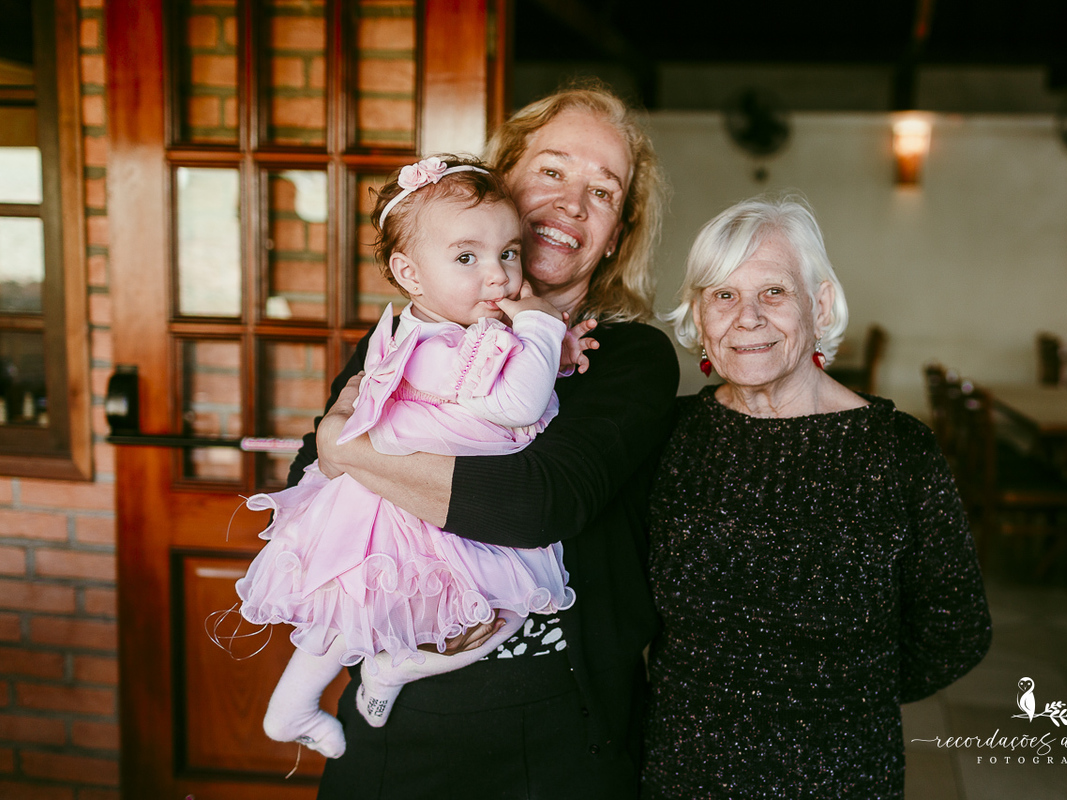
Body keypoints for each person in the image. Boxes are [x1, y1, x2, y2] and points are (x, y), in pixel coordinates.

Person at [292, 85, 678, 798]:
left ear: (617, 234)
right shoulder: (414, 330)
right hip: (397, 717)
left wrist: (354, 453)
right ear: (503, 181)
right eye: (554, 172)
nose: (572, 204)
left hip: (557, 725)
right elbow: (308, 482)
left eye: (603, 192)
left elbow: (536, 505)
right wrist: (338, 457)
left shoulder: (630, 358)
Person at [233, 156, 596, 759]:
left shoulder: (448, 330)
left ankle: (354, 683)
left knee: (385, 616)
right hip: (404, 512)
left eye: (508, 252)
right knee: (404, 611)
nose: (499, 276)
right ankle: (333, 693)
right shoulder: (433, 348)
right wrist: (539, 324)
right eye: (465, 258)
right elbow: (515, 402)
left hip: (422, 499)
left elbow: (509, 379)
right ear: (410, 273)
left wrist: (552, 350)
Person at [642, 195, 991, 799]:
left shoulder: (896, 452)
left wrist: (840, 700)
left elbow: (955, 628)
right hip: (683, 770)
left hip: (842, 773)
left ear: (820, 303)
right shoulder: (668, 438)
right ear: (698, 316)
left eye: (773, 292)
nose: (746, 316)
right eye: (722, 295)